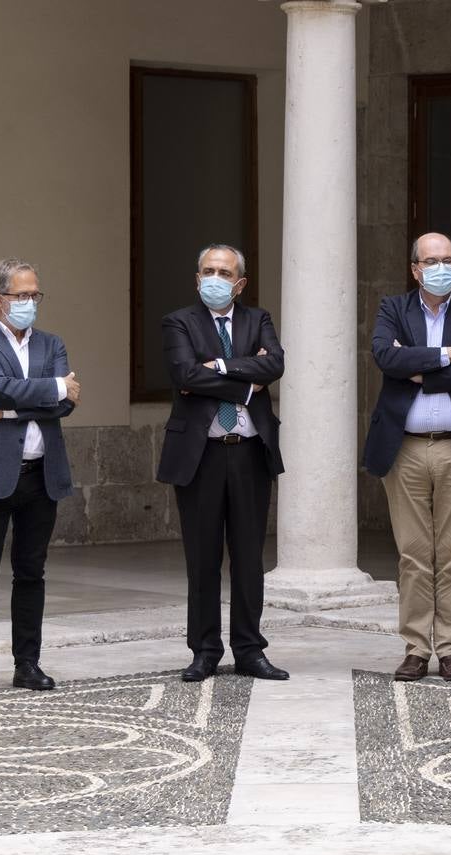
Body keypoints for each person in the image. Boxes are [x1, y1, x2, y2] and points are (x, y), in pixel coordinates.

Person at [363, 232, 451, 683]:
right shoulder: (393, 308)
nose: (441, 267)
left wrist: (423, 372)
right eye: (432, 260)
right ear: (415, 269)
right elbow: (386, 357)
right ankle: (415, 648)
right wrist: (449, 355)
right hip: (404, 449)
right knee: (412, 554)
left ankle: (449, 649)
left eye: (449, 258)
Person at [0, 258, 80, 698]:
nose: (29, 303)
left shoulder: (51, 344)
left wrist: (7, 411)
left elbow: (65, 405)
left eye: (34, 295)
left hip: (41, 476)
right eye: (21, 296)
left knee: (31, 573)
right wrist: (52, 389)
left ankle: (28, 664)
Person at [157, 244, 288, 683]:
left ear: (240, 282)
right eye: (208, 270)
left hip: (250, 451)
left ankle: (250, 650)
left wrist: (217, 366)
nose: (216, 277)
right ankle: (205, 650)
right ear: (197, 279)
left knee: (249, 558)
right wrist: (247, 383)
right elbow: (185, 376)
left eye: (224, 271)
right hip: (201, 455)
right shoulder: (179, 321)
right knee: (203, 557)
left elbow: (276, 365)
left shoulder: (258, 319)